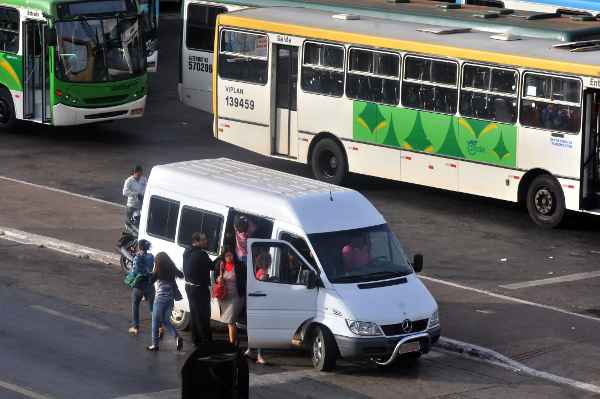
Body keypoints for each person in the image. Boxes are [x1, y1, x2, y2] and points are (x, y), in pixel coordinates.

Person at [147, 252, 184, 352]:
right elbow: (181, 275)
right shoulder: (172, 269)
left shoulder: (158, 270)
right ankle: (177, 337)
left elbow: (150, 281)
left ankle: (155, 345)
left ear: (158, 262)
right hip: (170, 300)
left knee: (155, 321)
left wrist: (150, 273)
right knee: (165, 320)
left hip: (160, 300)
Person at [183, 232, 214, 345]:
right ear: (196, 241)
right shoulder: (201, 255)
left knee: (195, 314)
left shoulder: (187, 251)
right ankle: (206, 342)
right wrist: (222, 256)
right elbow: (213, 266)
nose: (206, 241)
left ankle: (196, 339)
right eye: (203, 240)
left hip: (189, 287)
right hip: (199, 289)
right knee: (203, 316)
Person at [214, 247, 245, 346]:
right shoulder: (221, 265)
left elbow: (244, 280)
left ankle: (232, 344)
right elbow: (215, 278)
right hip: (225, 296)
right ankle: (235, 341)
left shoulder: (239, 266)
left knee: (230, 321)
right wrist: (218, 279)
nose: (229, 257)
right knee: (230, 322)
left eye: (230, 255)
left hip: (236, 296)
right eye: (227, 255)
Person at [244, 252, 270, 365]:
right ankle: (259, 356)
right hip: (261, 305)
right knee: (261, 331)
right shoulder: (263, 273)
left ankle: (250, 350)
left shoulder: (257, 272)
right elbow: (263, 286)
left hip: (255, 304)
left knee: (255, 329)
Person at [129, 239, 154, 336]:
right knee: (152, 308)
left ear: (139, 247)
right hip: (149, 284)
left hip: (139, 285)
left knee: (135, 305)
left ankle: (135, 327)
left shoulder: (137, 257)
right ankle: (159, 327)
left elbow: (135, 271)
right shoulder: (151, 256)